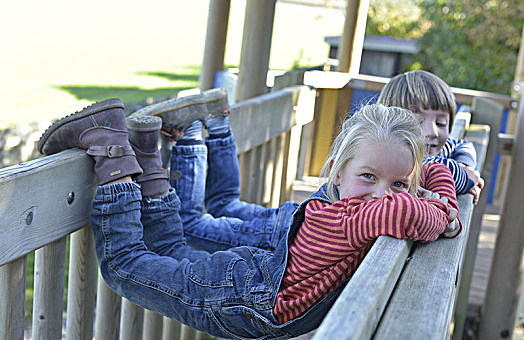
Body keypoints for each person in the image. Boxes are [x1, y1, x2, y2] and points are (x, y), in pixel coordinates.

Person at [37, 93, 460, 339]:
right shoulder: (365, 216)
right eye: (368, 176)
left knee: (171, 247)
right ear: (334, 170)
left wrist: (430, 182)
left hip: (257, 278)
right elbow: (428, 215)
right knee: (125, 266)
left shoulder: (360, 207)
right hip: (251, 299)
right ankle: (109, 146)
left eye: (397, 183)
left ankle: (145, 152)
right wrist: (439, 186)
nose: (381, 195)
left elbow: (416, 205)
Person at [377, 70, 484, 204]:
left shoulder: (438, 148)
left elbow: (462, 145)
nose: (433, 132)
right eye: (418, 122)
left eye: (441, 123)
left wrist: (463, 164)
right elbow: (438, 170)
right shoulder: (397, 160)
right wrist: (467, 178)